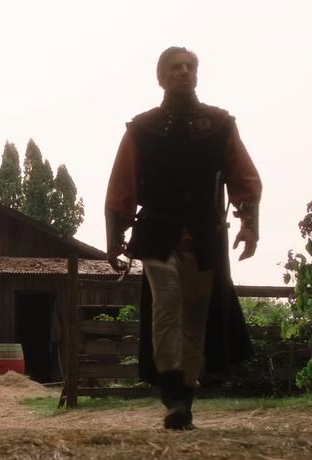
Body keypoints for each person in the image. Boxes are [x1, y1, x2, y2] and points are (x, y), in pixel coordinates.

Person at [105, 46, 262, 430]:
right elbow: (121, 185)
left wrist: (248, 224)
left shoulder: (219, 124)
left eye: (190, 67)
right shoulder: (141, 130)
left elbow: (244, 178)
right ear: (161, 77)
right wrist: (115, 240)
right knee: (167, 303)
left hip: (206, 236)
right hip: (158, 234)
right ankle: (172, 390)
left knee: (195, 319)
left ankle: (184, 399)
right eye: (175, 68)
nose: (184, 72)